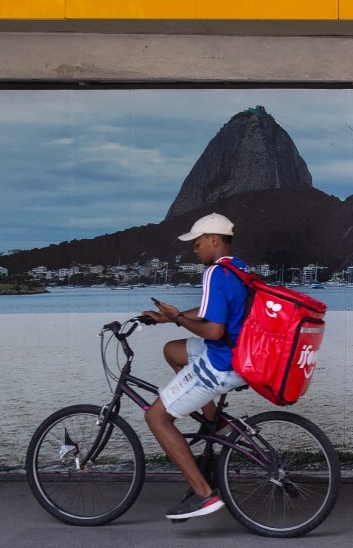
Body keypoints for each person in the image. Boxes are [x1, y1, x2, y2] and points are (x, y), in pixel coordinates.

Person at [142, 212, 250, 519]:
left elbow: (213, 330)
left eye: (198, 242)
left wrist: (178, 318)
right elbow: (209, 311)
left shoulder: (215, 272)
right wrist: (167, 319)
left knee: (156, 418)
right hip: (237, 351)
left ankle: (203, 495)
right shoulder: (237, 267)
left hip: (222, 362)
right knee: (173, 351)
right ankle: (214, 420)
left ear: (214, 240)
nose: (194, 248)